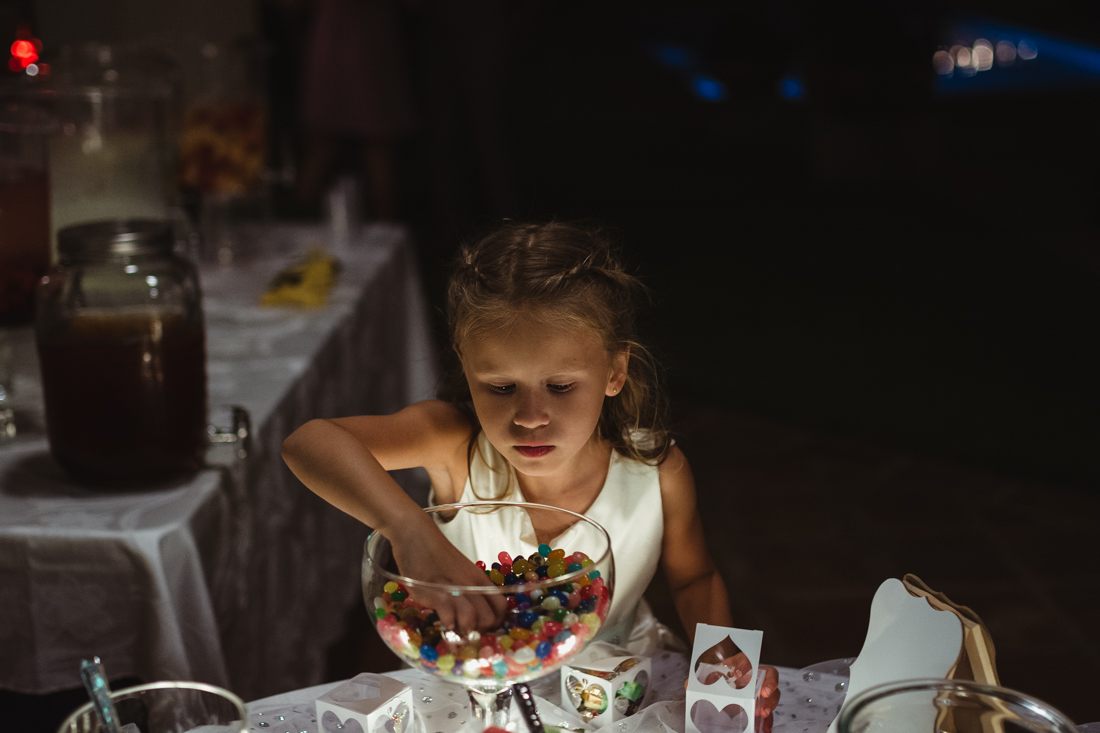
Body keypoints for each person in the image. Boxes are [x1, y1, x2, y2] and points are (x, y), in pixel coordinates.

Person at [281, 221, 779, 717]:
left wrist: (724, 661)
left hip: (621, 692)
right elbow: (309, 442)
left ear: (615, 372)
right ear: (466, 363)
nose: (529, 417)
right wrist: (412, 532)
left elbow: (695, 579)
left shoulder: (657, 471)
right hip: (473, 691)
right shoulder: (455, 444)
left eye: (560, 387)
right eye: (501, 387)